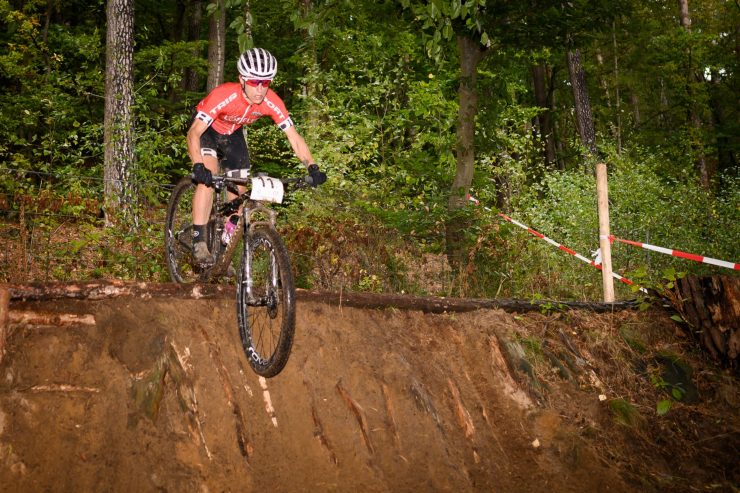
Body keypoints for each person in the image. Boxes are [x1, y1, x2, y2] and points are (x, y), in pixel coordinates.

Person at [186, 47, 326, 263]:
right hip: (208, 131)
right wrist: (197, 165)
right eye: (254, 82)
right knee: (209, 175)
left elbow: (294, 137)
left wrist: (312, 166)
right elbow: (194, 132)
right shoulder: (224, 95)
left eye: (266, 82)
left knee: (239, 193)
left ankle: (224, 251)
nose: (260, 89)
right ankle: (199, 241)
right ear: (242, 79)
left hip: (233, 134)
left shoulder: (272, 102)